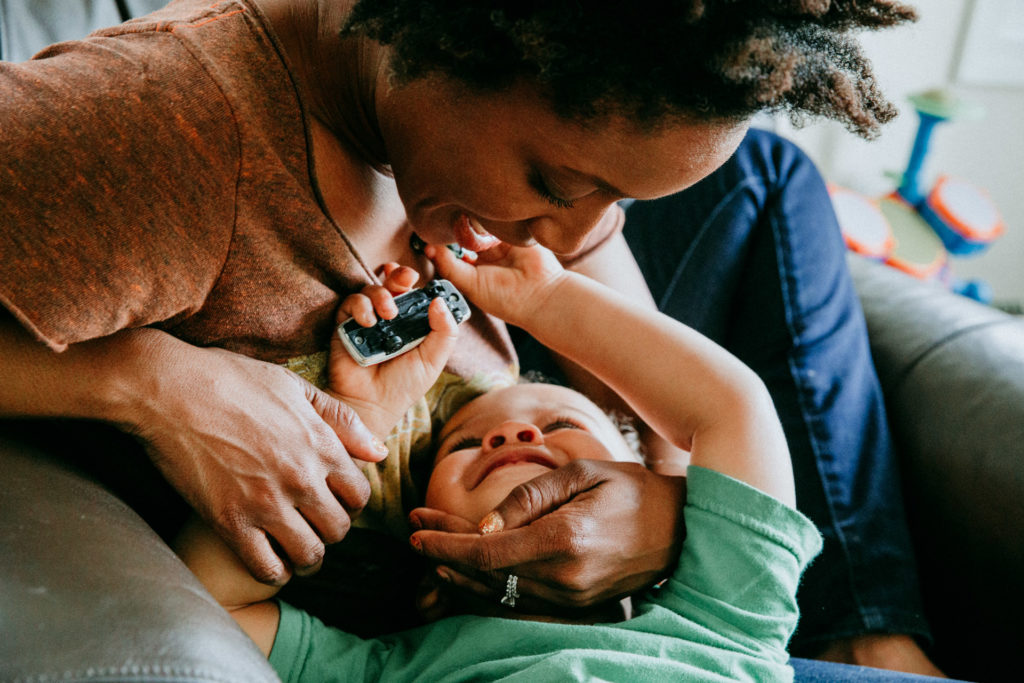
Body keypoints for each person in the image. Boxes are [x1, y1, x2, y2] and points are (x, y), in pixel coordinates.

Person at [0, 0, 940, 674]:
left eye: (616, 200)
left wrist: (670, 509)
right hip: (447, 637)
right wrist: (150, 384)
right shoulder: (159, 129)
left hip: (665, 634)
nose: (575, 241)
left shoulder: (568, 87)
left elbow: (657, 376)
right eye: (557, 184)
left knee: (771, 177)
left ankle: (867, 627)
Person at [175, 241, 824, 682]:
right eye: (463, 443)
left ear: (649, 480)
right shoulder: (394, 665)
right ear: (422, 540)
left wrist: (548, 302)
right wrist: (356, 422)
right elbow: (203, 612)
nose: (510, 431)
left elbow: (733, 407)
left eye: (563, 424)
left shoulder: (721, 614)